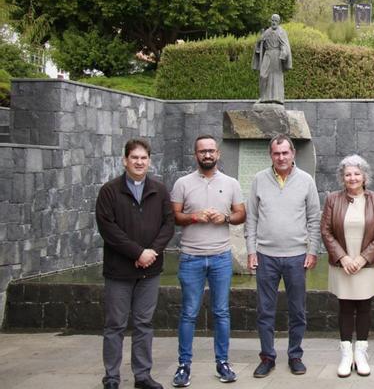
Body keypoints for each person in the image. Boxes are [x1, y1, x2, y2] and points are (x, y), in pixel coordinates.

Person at [96, 138, 175, 389]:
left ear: (149, 161)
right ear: (125, 160)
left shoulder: (160, 190)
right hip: (119, 271)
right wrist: (137, 252)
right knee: (115, 325)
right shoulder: (109, 191)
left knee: (144, 323)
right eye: (134, 158)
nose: (139, 162)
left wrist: (152, 252)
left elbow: (168, 224)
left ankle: (142, 375)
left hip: (150, 271)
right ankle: (111, 376)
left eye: (143, 158)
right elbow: (108, 229)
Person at [170, 135, 246, 387]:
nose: (207, 155)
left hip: (221, 257)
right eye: (202, 151)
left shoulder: (231, 183)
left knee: (221, 312)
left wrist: (223, 218)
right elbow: (175, 217)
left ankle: (222, 363)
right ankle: (184, 365)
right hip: (191, 256)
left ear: (218, 154)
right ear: (195, 155)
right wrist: (194, 217)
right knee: (189, 313)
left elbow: (240, 215)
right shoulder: (182, 183)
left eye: (211, 151)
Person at [245, 134, 321, 378]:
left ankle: (295, 355)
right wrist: (250, 250)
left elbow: (314, 219)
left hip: (297, 256)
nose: (281, 157)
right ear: (271, 155)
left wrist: (312, 250)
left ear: (293, 154)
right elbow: (252, 218)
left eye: (285, 152)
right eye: (276, 153)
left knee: (297, 310)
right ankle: (267, 357)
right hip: (266, 255)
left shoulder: (306, 180)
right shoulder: (259, 179)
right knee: (265, 311)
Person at [320, 155, 374, 378]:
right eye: (348, 174)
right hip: (343, 264)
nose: (352, 178)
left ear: (364, 176)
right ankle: (346, 355)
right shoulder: (332, 199)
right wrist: (343, 258)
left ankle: (361, 353)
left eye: (357, 173)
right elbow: (326, 231)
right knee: (346, 307)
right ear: (342, 177)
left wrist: (362, 258)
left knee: (365, 306)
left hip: (366, 264)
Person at [252, 14, 292, 104]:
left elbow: (285, 45)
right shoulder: (266, 32)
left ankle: (277, 98)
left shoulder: (282, 32)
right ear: (270, 21)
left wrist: (284, 53)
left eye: (276, 21)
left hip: (277, 56)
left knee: (276, 76)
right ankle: (263, 97)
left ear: (278, 22)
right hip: (267, 55)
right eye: (272, 20)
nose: (274, 22)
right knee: (263, 75)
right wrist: (259, 43)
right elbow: (260, 44)